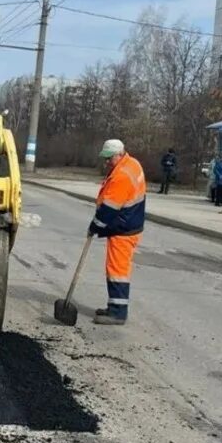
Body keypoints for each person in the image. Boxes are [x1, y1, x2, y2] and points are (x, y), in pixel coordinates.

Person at [88, 139, 146, 325]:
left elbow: (108, 210)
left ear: (118, 155)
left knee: (117, 271)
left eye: (108, 159)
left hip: (123, 229)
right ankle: (114, 306)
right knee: (118, 269)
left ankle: (117, 312)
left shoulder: (121, 176)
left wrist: (94, 226)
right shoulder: (132, 164)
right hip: (130, 223)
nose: (106, 163)